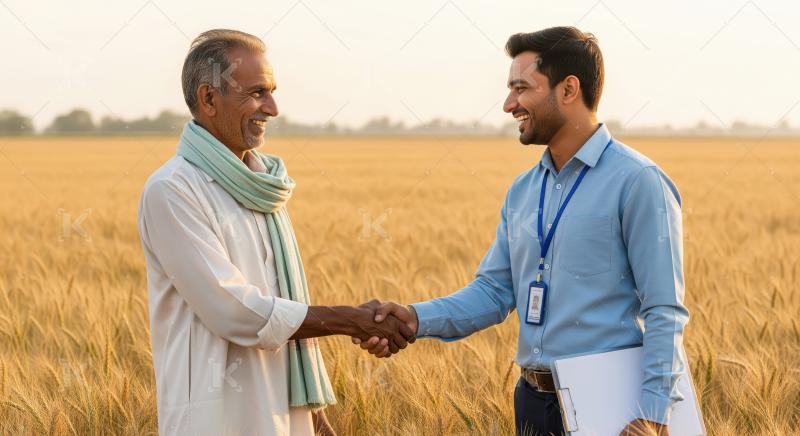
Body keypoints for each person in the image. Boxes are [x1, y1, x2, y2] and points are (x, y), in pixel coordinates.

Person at [355, 26, 689, 436]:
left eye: (521, 88)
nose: (509, 104)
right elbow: (493, 293)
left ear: (569, 90)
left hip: (610, 405)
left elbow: (664, 308)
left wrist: (654, 414)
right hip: (532, 401)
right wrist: (412, 318)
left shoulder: (638, 182)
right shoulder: (523, 191)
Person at [137, 29, 414, 436]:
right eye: (257, 93)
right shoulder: (173, 190)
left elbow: (282, 302)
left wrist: (315, 418)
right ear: (209, 99)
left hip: (286, 419)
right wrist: (351, 320)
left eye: (272, 91)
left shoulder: (264, 185)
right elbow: (234, 309)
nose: (274, 107)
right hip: (217, 421)